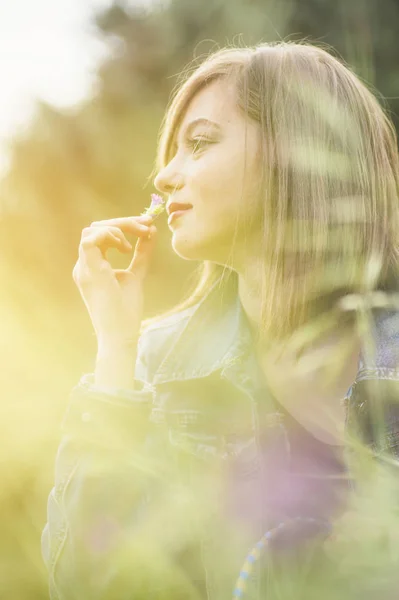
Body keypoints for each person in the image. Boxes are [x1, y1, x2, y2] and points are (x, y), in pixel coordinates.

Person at [42, 41, 399, 600]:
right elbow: (92, 584)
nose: (163, 178)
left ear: (296, 152)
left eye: (200, 144)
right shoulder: (152, 365)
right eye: (171, 151)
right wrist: (115, 348)